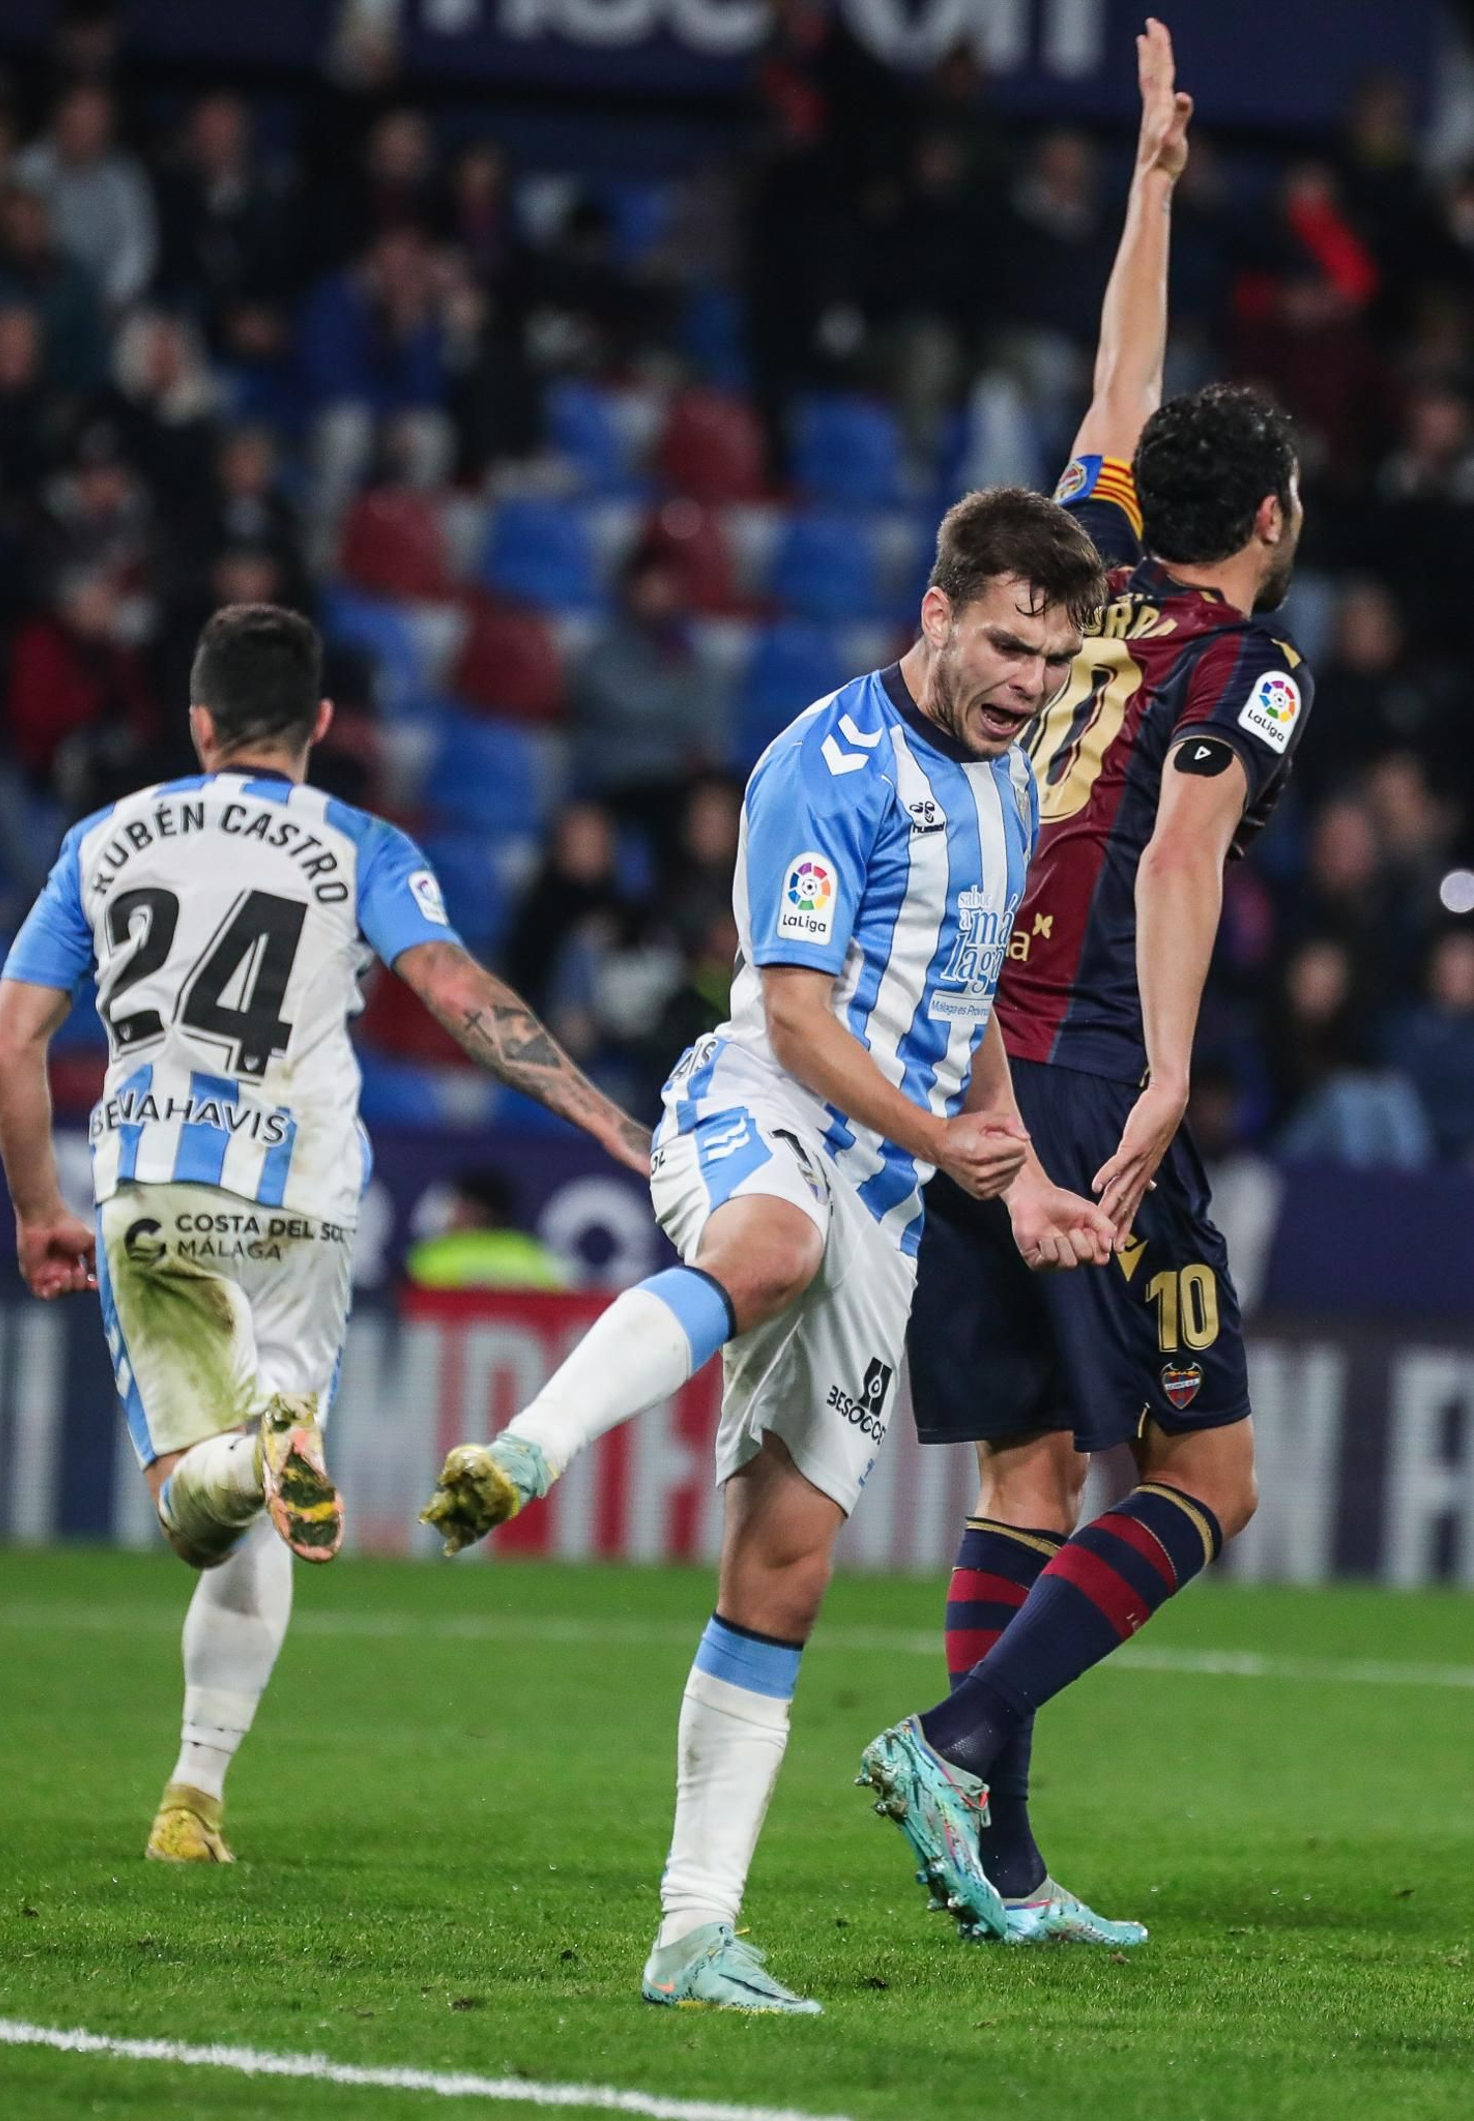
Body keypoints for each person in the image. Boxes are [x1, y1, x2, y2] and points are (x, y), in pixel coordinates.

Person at [420, 487, 1116, 2010]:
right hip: (765, 1105)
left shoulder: (1011, 787)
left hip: (890, 1202)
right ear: (936, 615)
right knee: (772, 1245)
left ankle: (693, 1937)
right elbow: (797, 1017)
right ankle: (530, 1451)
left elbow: (970, 1017)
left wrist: (1021, 1182)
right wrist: (942, 1141)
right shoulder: (825, 763)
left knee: (784, 1570)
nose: (1028, 682)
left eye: (1053, 661)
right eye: (1008, 645)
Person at [866, 20, 1315, 1949]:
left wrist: (1150, 185)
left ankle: (1005, 1860)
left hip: (969, 1052)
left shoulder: (1086, 577)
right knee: (1206, 1475)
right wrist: (1170, 1077)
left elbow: (1118, 382)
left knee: (1032, 1462)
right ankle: (960, 1735)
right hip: (1092, 1060)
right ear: (1275, 518)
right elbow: (1182, 854)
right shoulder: (1248, 667)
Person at [0, 602, 649, 1867]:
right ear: (321, 724)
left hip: (158, 1191)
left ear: (199, 722)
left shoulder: (102, 840)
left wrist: (36, 1213)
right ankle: (193, 1798)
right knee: (261, 1485)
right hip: (305, 1206)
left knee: (198, 1509)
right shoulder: (360, 844)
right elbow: (454, 989)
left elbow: (10, 1044)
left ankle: (250, 1467)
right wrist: (607, 1119)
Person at [405, 1169, 572, 1291]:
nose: (448, 1211)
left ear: (476, 1210)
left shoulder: (432, 1258)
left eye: (455, 1203)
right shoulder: (537, 1258)